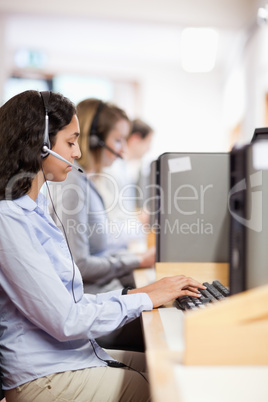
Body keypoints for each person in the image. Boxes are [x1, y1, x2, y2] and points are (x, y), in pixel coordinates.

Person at [0, 90, 205, 402]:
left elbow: (74, 302)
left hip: (72, 357)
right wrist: (143, 298)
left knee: (178, 366)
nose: (78, 153)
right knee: (177, 389)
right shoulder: (10, 220)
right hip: (46, 378)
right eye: (70, 142)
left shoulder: (35, 210)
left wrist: (141, 293)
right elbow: (67, 319)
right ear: (40, 142)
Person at [49, 98, 155, 295]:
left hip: (100, 290)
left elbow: (100, 246)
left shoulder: (83, 180)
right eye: (118, 140)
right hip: (90, 297)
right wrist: (138, 260)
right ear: (94, 140)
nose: (123, 149)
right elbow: (79, 264)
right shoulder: (72, 184)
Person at [95, 118, 154, 247]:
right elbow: (111, 226)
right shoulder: (112, 171)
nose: (148, 149)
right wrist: (140, 222)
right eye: (148, 142)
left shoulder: (123, 169)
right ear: (136, 138)